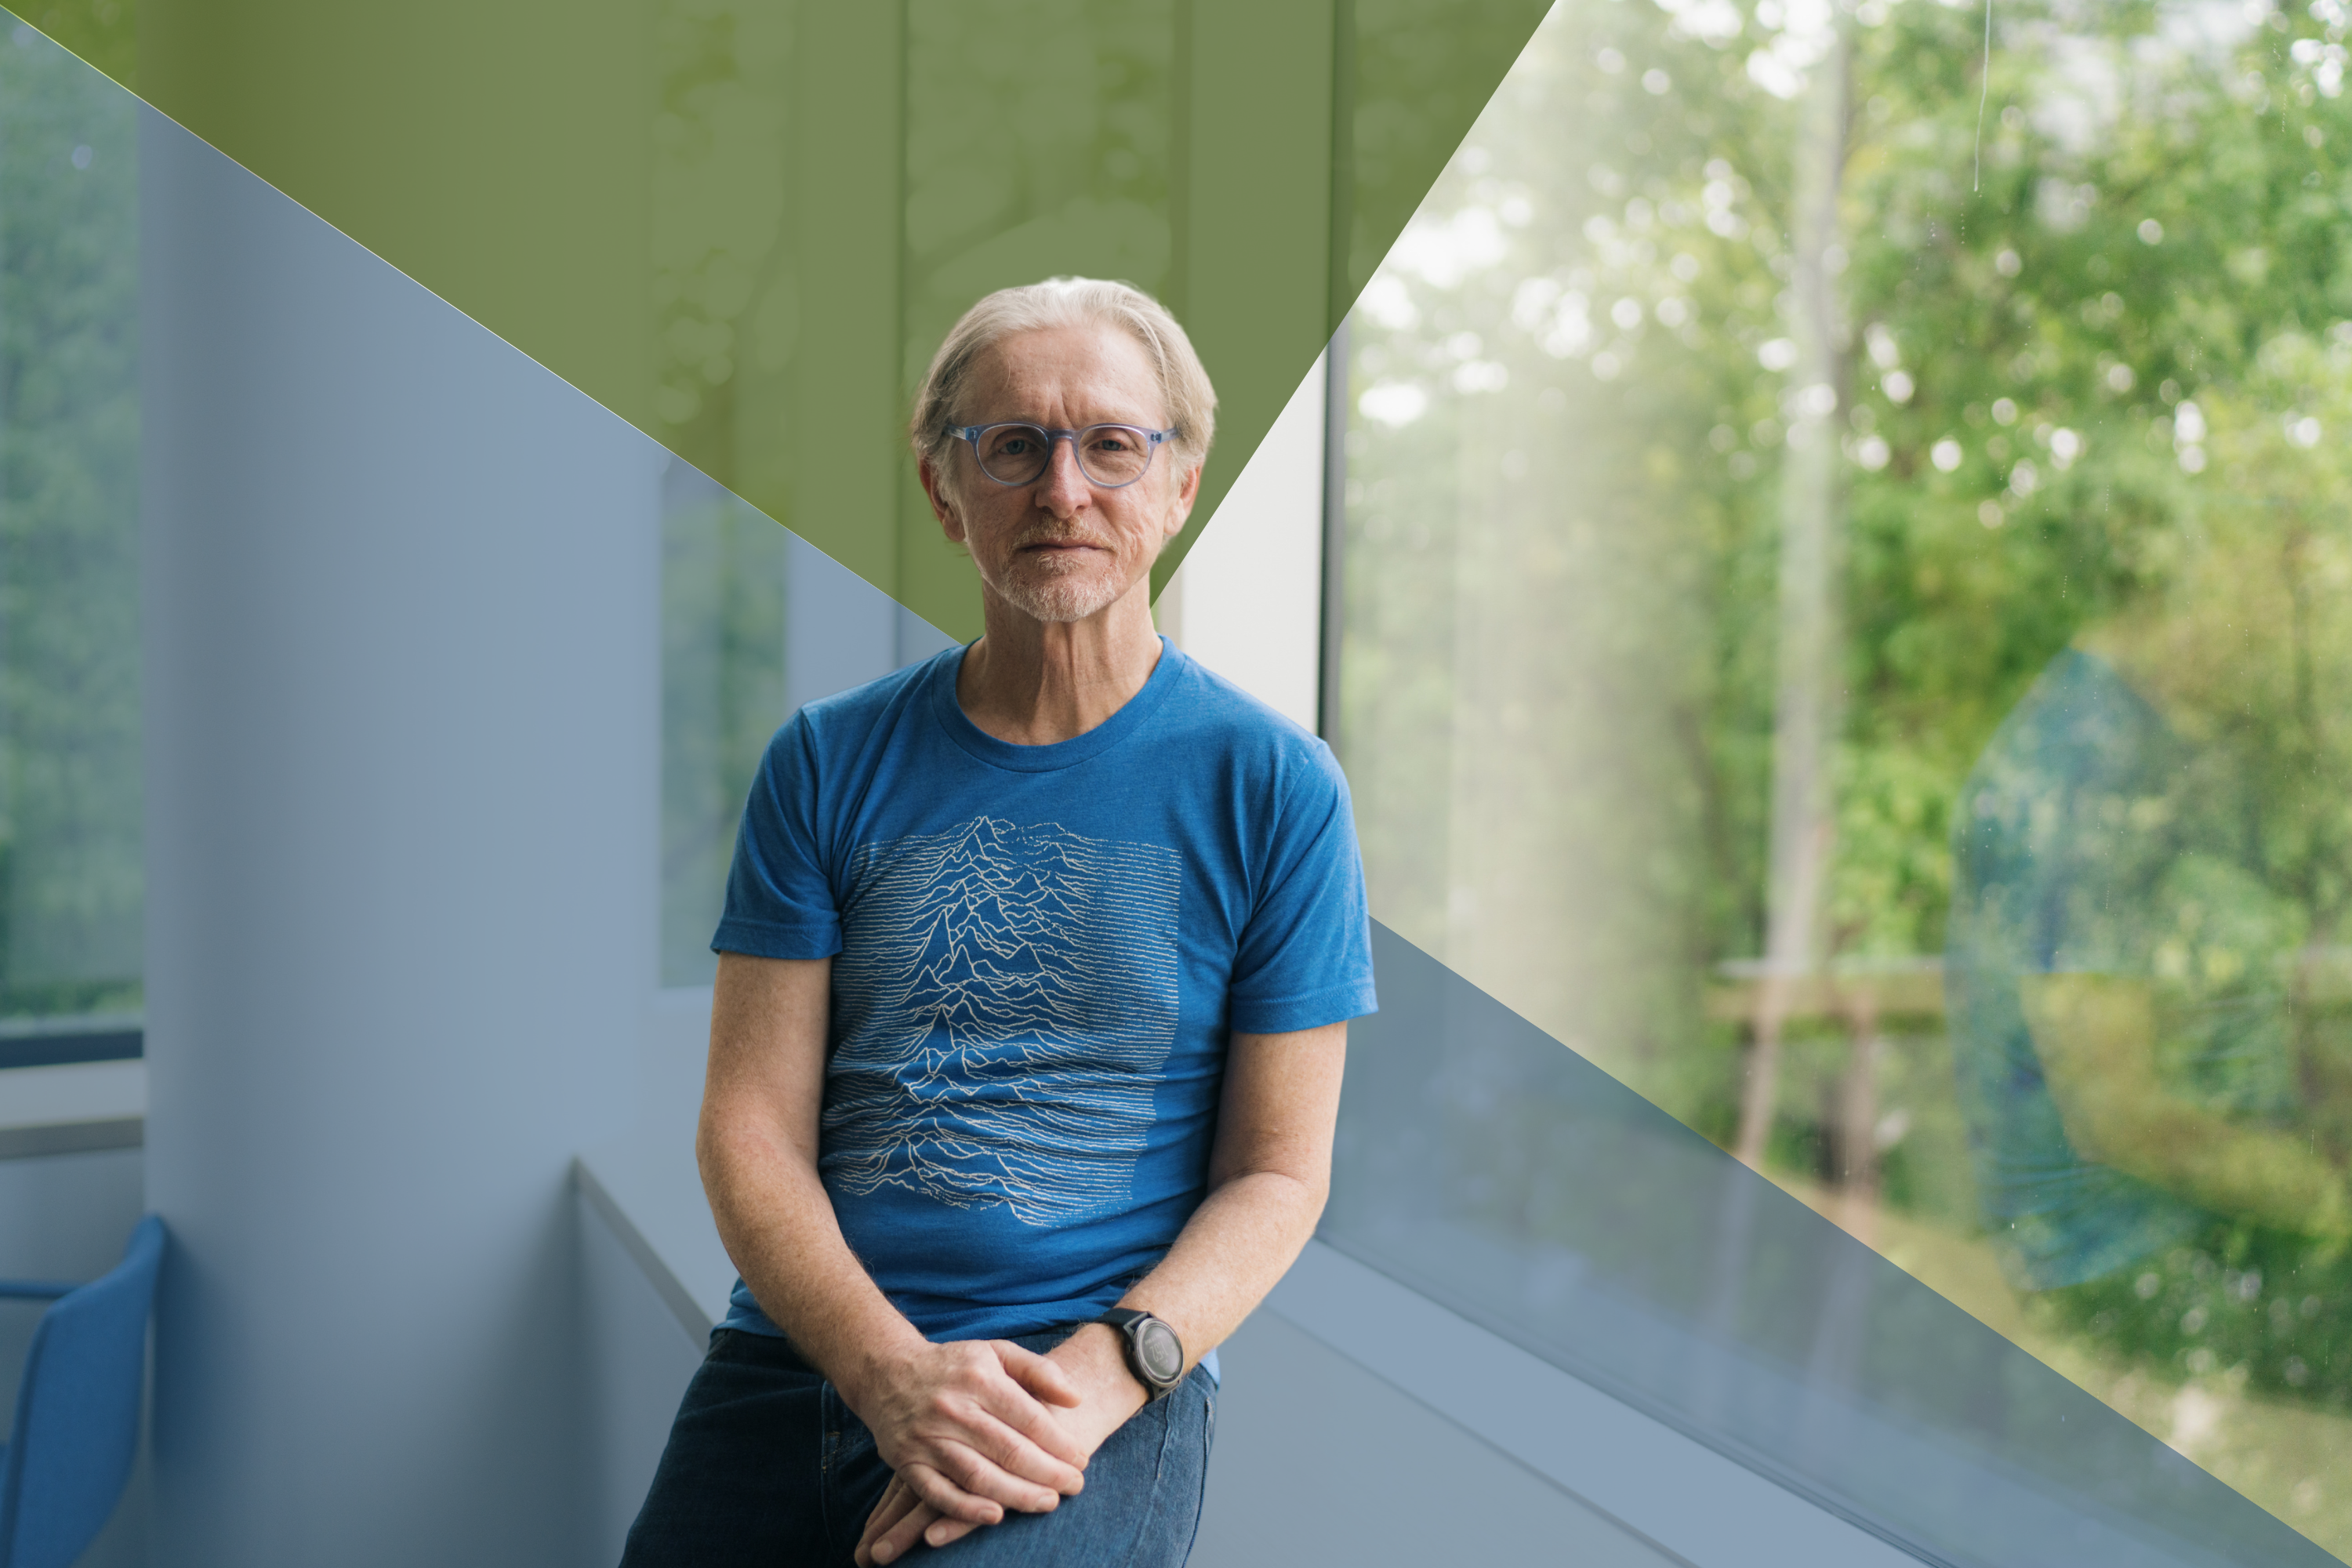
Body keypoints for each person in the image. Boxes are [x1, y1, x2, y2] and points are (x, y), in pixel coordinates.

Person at [621, 276, 1377, 1567]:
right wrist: (888, 1377)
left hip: (1078, 1379)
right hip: (803, 1355)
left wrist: (1104, 1377)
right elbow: (749, 1128)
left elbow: (1278, 1173)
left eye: (1111, 445)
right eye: (1013, 446)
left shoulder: (1274, 787)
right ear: (943, 490)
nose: (1062, 492)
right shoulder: (824, 762)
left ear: (1182, 483)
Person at [1947, 431, 2352, 1397]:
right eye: (2275, 591)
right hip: (2127, 1273)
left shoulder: (2159, 750)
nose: (2286, 629)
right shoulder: (2091, 770)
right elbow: (2124, 1114)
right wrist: (2334, 1199)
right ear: (2197, 583)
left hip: (2201, 1242)